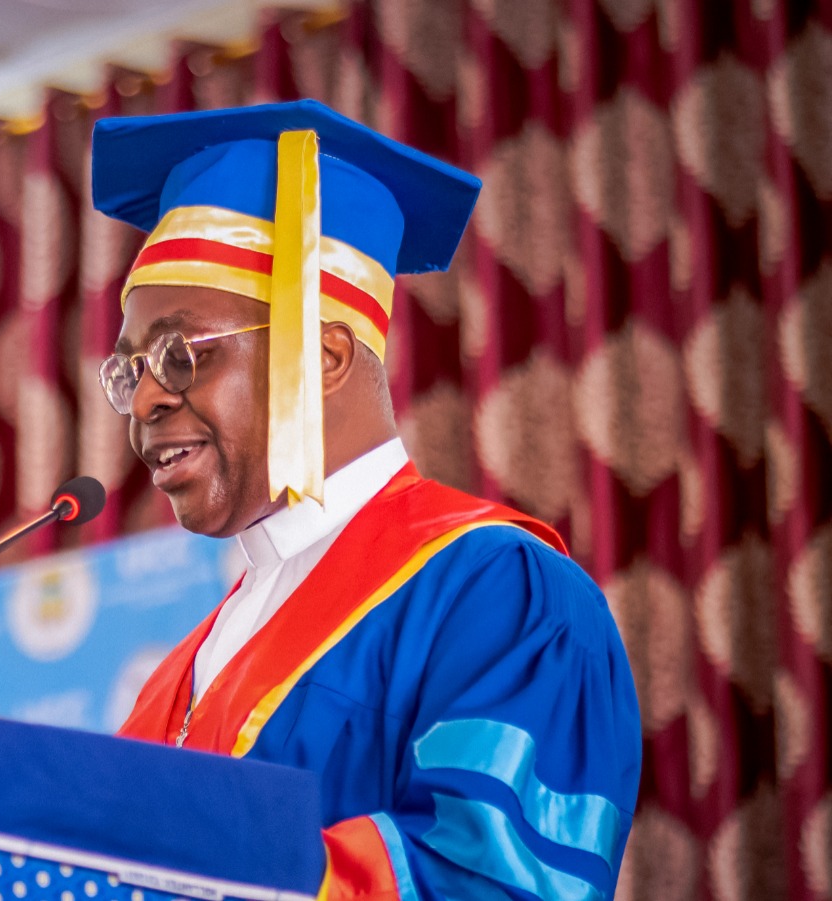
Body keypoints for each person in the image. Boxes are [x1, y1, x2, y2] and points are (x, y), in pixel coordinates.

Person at [91, 100, 641, 900]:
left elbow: (495, 880)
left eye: (179, 355)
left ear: (325, 353)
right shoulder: (175, 676)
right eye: (129, 371)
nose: (143, 403)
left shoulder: (500, 594)